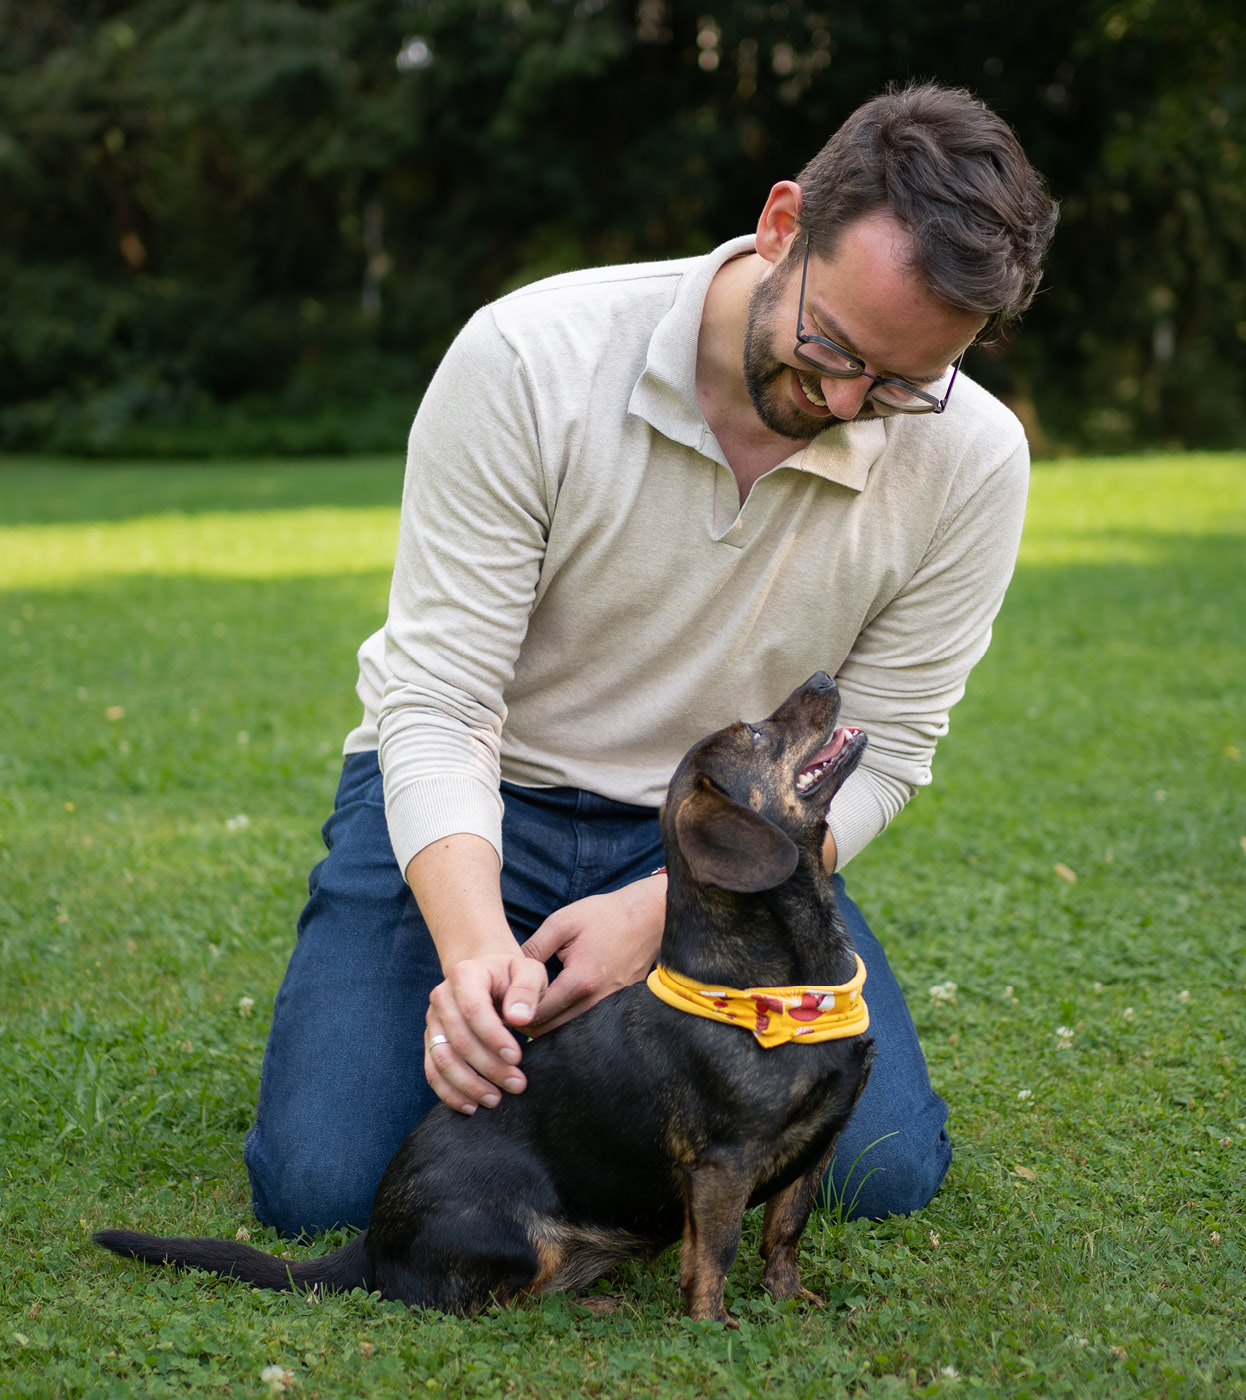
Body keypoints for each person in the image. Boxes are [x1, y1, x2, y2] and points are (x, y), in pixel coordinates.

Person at [244, 81, 1057, 1237]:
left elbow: (881, 752)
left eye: (897, 384)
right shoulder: (531, 356)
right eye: (827, 345)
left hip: (734, 844)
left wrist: (662, 907)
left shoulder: (973, 460)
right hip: (481, 799)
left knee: (879, 1170)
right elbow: (436, 700)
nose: (839, 399)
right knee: (322, 1180)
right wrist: (475, 952)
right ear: (781, 224)